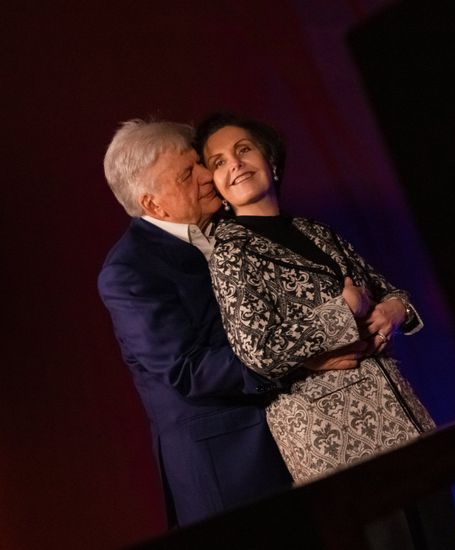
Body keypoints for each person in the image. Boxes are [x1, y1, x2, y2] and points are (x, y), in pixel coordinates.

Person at [193, 112, 437, 484]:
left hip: (401, 413)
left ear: (270, 160)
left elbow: (387, 289)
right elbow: (258, 351)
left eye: (244, 150)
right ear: (219, 188)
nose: (235, 164)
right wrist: (343, 311)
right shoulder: (231, 253)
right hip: (332, 438)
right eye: (219, 162)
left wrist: (396, 308)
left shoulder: (314, 229)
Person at [97, 119, 305, 528]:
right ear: (154, 205)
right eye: (188, 173)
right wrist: (302, 356)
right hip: (228, 468)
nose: (209, 176)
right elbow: (188, 369)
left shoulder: (231, 228)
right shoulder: (128, 272)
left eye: (199, 163)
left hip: (293, 439)